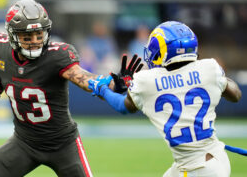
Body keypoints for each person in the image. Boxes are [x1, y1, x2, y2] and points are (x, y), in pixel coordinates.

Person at [0, 0, 142, 177]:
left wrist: (113, 84)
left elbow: (86, 79)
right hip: (24, 142)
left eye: (39, 34)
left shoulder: (56, 56)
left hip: (63, 145)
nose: (35, 41)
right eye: (27, 37)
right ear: (12, 35)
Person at [88, 21, 243, 177]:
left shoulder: (147, 80)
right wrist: (219, 79)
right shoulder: (210, 68)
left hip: (195, 169)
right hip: (214, 159)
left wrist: (103, 90)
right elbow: (236, 95)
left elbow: (123, 106)